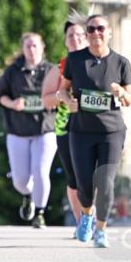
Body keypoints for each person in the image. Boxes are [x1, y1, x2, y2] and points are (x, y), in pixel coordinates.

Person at [59, 13, 131, 249]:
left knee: (106, 181)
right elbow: (63, 90)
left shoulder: (121, 63)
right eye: (90, 30)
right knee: (84, 184)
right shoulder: (75, 60)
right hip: (81, 131)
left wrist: (121, 93)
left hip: (111, 132)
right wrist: (67, 102)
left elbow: (130, 99)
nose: (95, 34)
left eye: (100, 28)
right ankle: (87, 215)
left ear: (109, 32)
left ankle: (100, 230)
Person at [0, 33, 58, 228]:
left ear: (42, 47)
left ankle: (40, 213)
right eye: (28, 46)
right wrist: (13, 104)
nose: (31, 50)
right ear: (23, 49)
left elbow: (63, 94)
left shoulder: (52, 71)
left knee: (40, 171)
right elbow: (0, 96)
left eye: (35, 46)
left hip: (45, 129)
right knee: (20, 181)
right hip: (18, 131)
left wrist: (53, 100)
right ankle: (28, 195)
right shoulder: (13, 71)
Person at [41, 19, 88, 234]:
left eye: (79, 34)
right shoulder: (60, 67)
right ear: (65, 41)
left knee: (93, 174)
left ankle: (91, 215)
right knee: (74, 177)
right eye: (71, 35)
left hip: (93, 126)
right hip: (66, 126)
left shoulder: (97, 63)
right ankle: (82, 223)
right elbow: (46, 99)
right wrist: (64, 97)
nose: (75, 39)